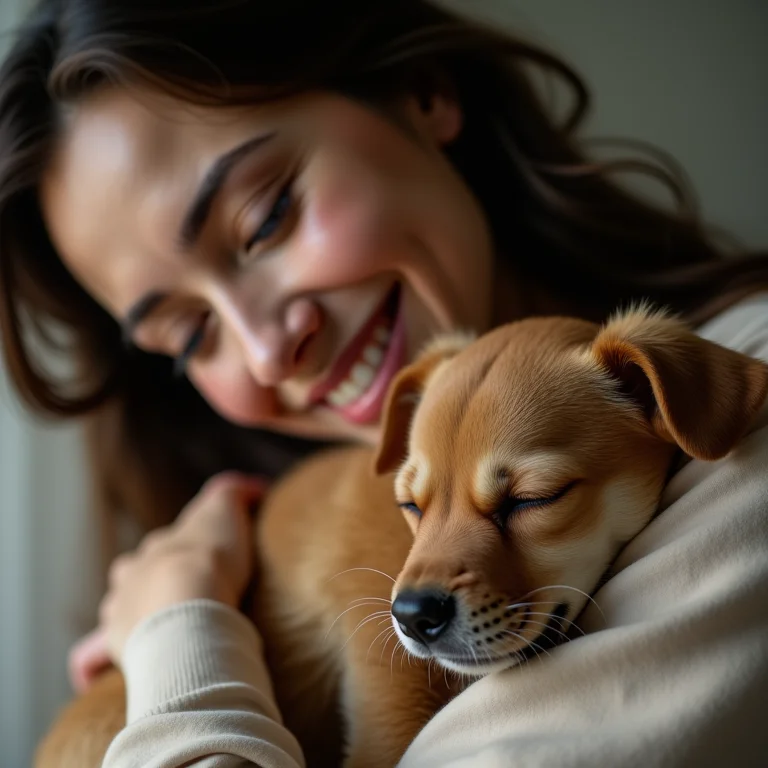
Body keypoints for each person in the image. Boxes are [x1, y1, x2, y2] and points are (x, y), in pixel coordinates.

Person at [1, 0, 767, 765]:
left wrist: (179, 641)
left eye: (267, 218)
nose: (268, 351)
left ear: (422, 91)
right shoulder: (265, 527)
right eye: (189, 334)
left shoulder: (732, 412)